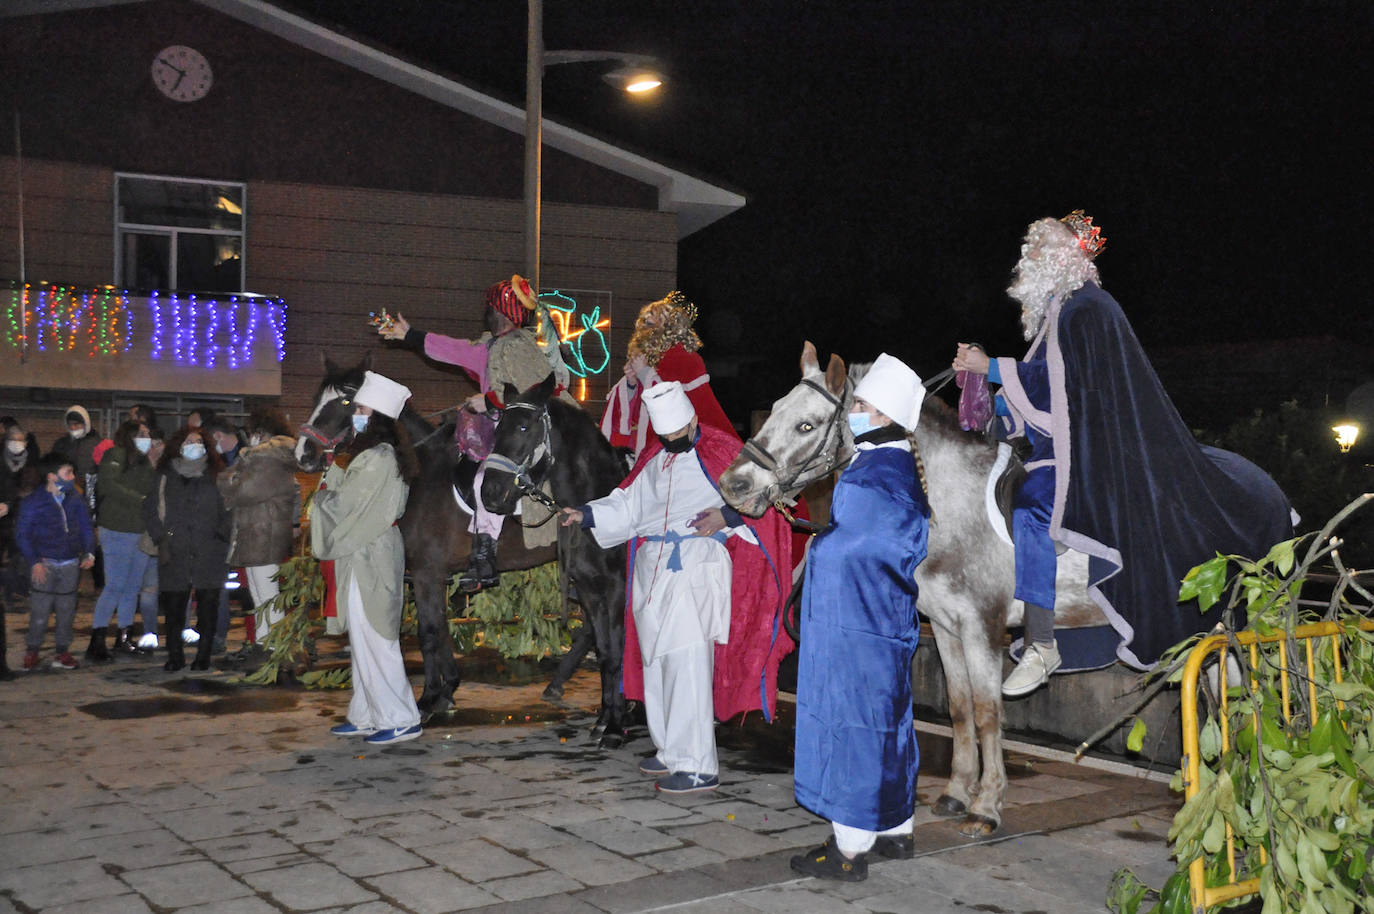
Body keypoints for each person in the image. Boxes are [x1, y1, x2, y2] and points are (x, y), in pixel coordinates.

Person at [951, 210, 1293, 694]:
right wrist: (991, 395)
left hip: (1094, 453)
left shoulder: (1088, 310)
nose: (1027, 259)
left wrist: (992, 368)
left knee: (1031, 506)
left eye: (1039, 249)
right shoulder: (1059, 314)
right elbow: (1051, 397)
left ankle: (1041, 643)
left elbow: (1069, 387)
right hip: (1064, 444)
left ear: (1068, 257)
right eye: (1029, 250)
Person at [562, 382, 766, 794]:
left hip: (694, 567)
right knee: (655, 664)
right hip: (651, 571)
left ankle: (698, 765)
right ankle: (671, 750)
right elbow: (627, 505)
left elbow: (766, 497)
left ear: (692, 421)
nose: (672, 443)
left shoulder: (723, 452)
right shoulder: (656, 460)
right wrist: (584, 514)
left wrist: (726, 517)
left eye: (678, 436)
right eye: (666, 438)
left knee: (688, 665)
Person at [789, 354, 930, 882]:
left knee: (855, 726)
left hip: (858, 627)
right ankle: (897, 829)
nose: (854, 412)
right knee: (889, 724)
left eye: (863, 405)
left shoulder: (876, 474)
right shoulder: (890, 468)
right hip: (883, 624)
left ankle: (849, 849)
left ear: (887, 415)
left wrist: (823, 545)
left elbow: (862, 546)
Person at [377, 275, 558, 591]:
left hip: (524, 434)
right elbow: (452, 349)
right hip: (501, 428)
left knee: (485, 478)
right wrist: (409, 334)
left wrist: (487, 400)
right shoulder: (491, 344)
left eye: (490, 308)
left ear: (499, 311)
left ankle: (485, 556)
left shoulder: (520, 347)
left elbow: (532, 392)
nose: (486, 312)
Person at [313, 371, 423, 745]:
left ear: (376, 417)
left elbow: (348, 504)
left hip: (371, 552)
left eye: (361, 409)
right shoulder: (375, 455)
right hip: (364, 551)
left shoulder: (379, 457)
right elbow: (351, 491)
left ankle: (402, 717)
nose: (355, 415)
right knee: (361, 639)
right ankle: (366, 713)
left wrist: (320, 499)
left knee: (378, 638)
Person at [599, 292, 737, 461]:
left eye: (651, 324)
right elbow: (632, 416)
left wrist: (645, 374)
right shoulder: (646, 359)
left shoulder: (685, 359)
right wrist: (631, 384)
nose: (644, 331)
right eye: (643, 324)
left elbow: (678, 409)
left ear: (668, 328)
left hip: (680, 452)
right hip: (644, 451)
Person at [144, 427, 231, 672]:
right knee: (173, 606)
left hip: (209, 550)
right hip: (175, 548)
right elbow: (150, 508)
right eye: (189, 441)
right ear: (179, 446)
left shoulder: (218, 474)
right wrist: (161, 537)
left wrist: (220, 534)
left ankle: (203, 656)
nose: (194, 445)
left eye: (199, 441)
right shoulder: (165, 474)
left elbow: (229, 509)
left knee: (208, 605)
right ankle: (175, 655)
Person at [218, 409, 300, 647]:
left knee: (267, 594)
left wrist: (227, 481)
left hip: (262, 530)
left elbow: (245, 491)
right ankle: (265, 644)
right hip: (258, 529)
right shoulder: (269, 457)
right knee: (260, 594)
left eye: (255, 432)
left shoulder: (268, 458)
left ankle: (274, 647)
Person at [15, 455, 96, 671]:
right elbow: (22, 535)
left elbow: (86, 526)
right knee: (40, 611)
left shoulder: (74, 499)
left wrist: (89, 551)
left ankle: (62, 652)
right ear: (52, 476)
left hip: (69, 563)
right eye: (67, 473)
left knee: (67, 612)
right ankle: (32, 650)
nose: (72, 477)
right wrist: (34, 561)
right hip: (45, 564)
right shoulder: (34, 502)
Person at [88, 419, 159, 660]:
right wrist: (139, 500)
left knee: (132, 588)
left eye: (148, 434)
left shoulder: (145, 463)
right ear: (130, 435)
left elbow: (153, 491)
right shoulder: (115, 455)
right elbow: (108, 484)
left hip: (139, 531)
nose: (146, 438)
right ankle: (97, 639)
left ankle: (124, 635)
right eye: (142, 433)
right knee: (115, 586)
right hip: (117, 529)